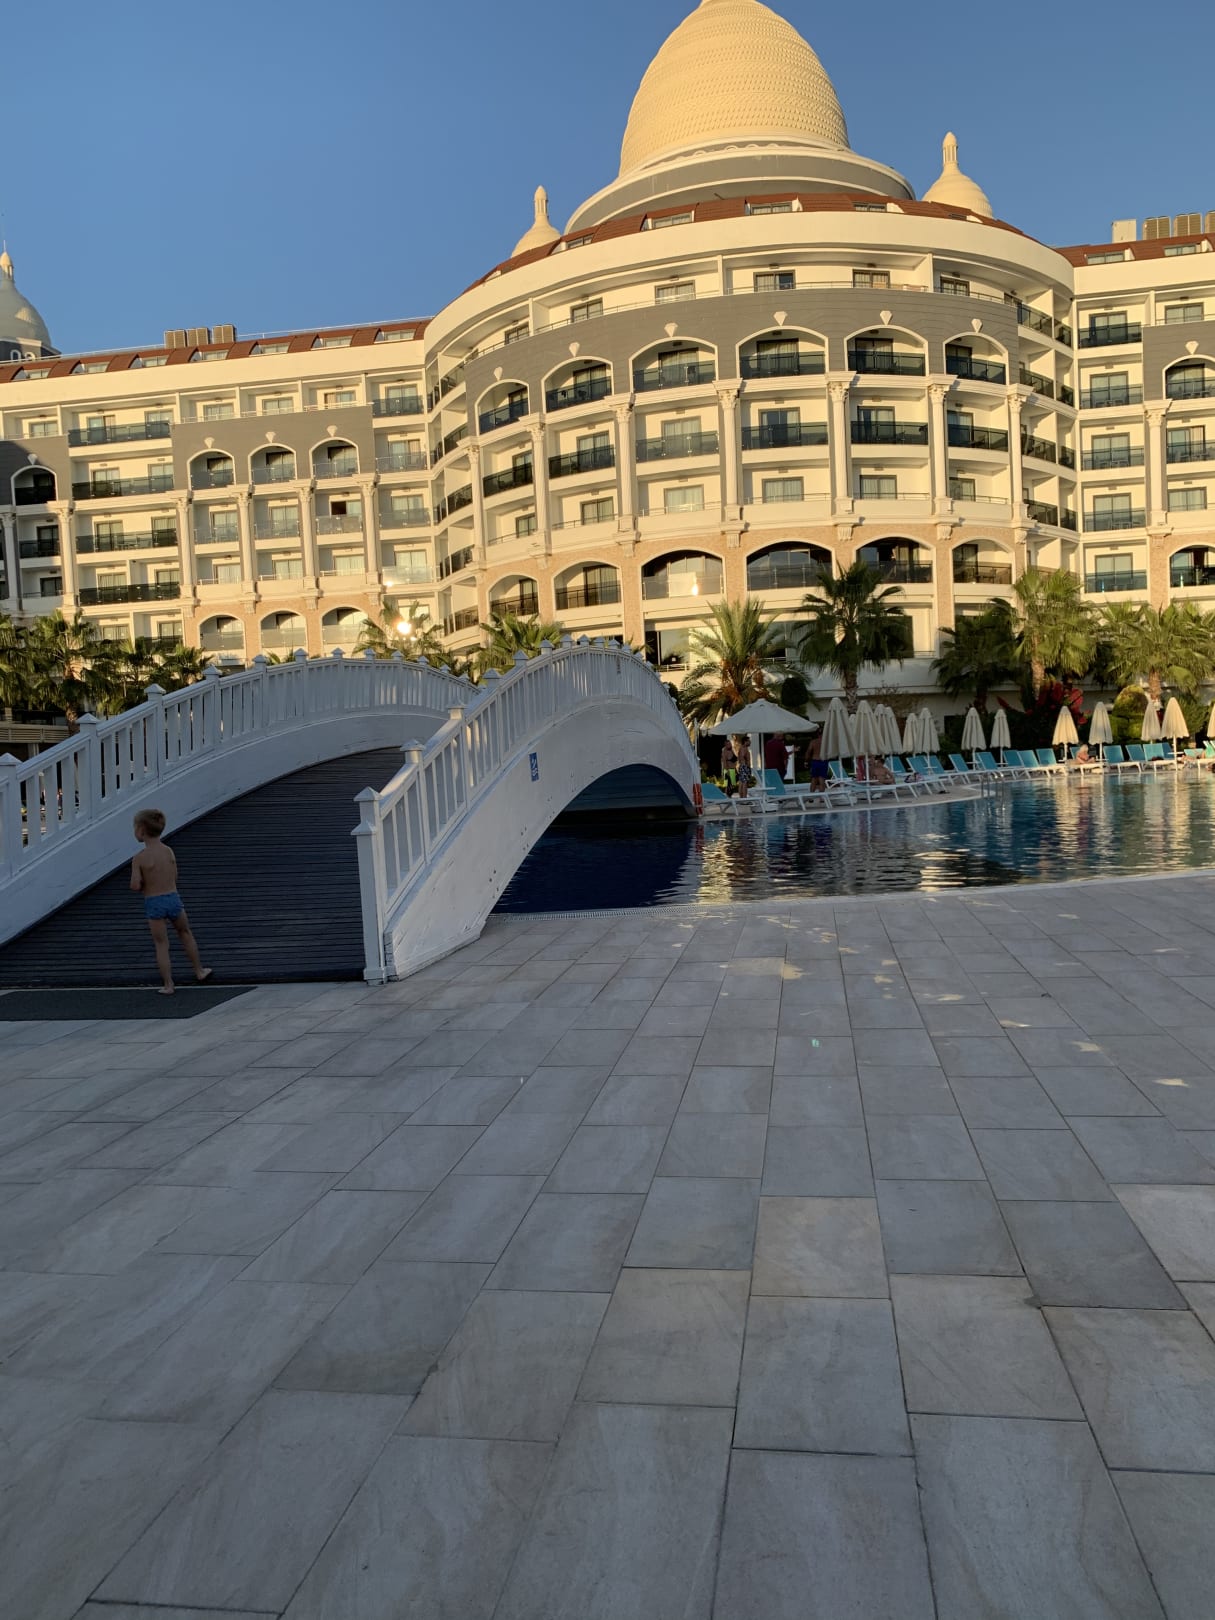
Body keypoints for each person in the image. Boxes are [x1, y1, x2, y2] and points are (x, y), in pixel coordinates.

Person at [130, 808, 212, 995]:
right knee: (185, 933)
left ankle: (168, 984)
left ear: (141, 830)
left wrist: (143, 885)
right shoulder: (168, 851)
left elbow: (135, 885)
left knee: (161, 943)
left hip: (154, 901)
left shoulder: (139, 858)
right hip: (173, 898)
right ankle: (199, 970)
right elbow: (174, 876)